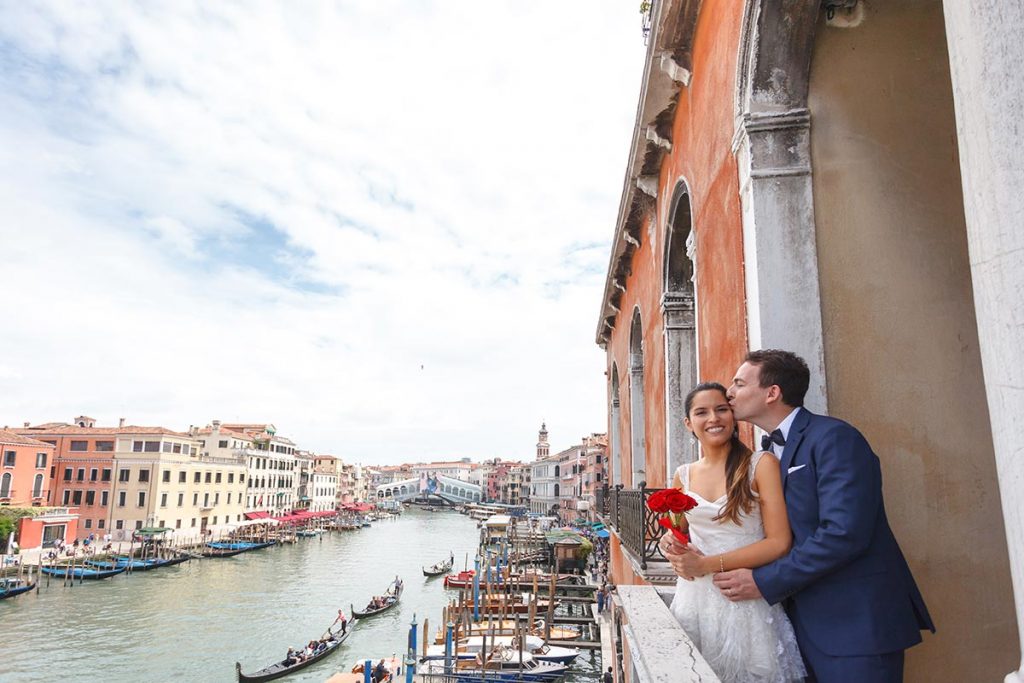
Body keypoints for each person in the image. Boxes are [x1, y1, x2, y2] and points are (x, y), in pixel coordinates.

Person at [707, 350, 933, 681]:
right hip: (796, 629)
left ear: (772, 393)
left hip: (855, 627)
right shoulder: (763, 455)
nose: (729, 393)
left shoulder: (835, 438)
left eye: (739, 383)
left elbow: (844, 533)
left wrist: (763, 581)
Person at [659, 381, 805, 682]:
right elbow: (679, 533)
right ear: (689, 422)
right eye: (702, 412)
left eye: (721, 409)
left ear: (733, 416)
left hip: (745, 598)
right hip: (695, 602)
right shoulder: (682, 475)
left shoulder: (761, 465)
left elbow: (779, 543)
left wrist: (706, 565)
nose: (713, 418)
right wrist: (670, 545)